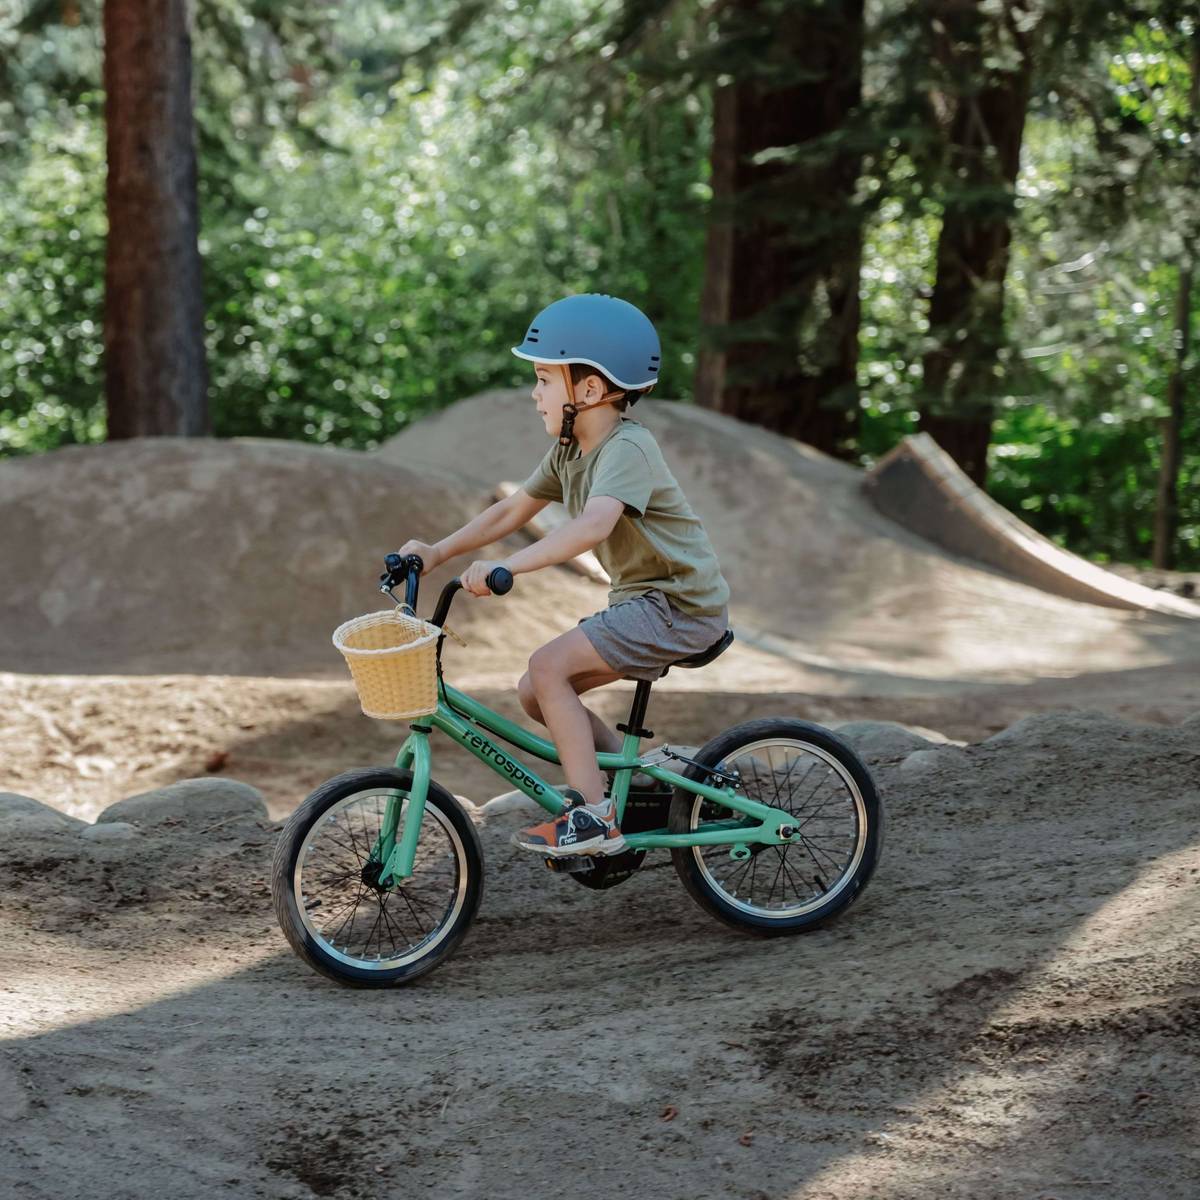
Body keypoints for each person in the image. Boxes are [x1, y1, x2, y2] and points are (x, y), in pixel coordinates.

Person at [398, 293, 730, 857]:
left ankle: (597, 818)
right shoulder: (568, 452)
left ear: (591, 390)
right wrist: (436, 552)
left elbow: (593, 525)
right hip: (643, 603)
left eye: (545, 379)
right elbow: (509, 511)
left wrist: (511, 565)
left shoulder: (627, 448)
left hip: (678, 607)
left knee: (547, 667)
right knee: (535, 692)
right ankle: (643, 779)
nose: (535, 395)